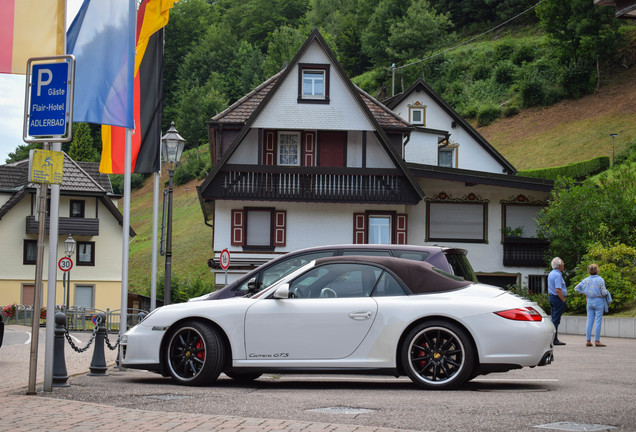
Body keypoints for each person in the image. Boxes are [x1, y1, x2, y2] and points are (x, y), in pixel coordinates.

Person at [575, 263, 610, 347]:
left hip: (590, 301)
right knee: (598, 320)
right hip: (599, 300)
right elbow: (604, 292)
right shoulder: (600, 280)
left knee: (589, 320)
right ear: (597, 270)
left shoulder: (585, 280)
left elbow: (576, 288)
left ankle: (588, 340)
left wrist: (585, 293)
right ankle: (597, 341)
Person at [548, 257, 567, 345]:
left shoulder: (551, 273)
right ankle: (553, 339)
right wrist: (563, 300)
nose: (564, 263)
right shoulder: (558, 275)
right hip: (557, 298)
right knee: (555, 320)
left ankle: (552, 339)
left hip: (551, 297)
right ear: (559, 265)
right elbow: (558, 289)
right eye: (563, 262)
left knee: (553, 318)